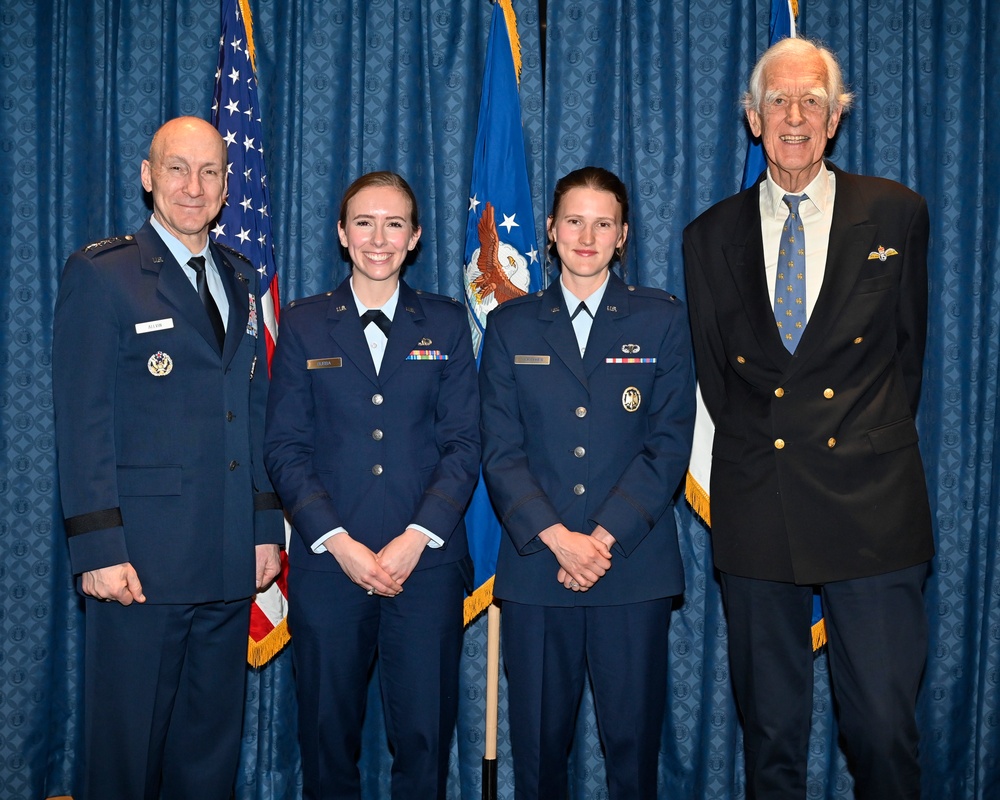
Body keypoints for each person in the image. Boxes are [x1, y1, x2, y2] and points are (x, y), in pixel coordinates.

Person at [683, 37, 932, 800]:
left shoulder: (896, 211)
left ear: (835, 118)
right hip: (761, 501)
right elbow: (719, 380)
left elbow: (907, 359)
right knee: (771, 740)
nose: (796, 116)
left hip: (873, 506)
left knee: (884, 731)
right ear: (753, 119)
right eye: (779, 102)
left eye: (813, 101)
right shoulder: (708, 235)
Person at [52, 116, 284, 800]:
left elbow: (256, 413)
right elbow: (82, 419)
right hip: (139, 563)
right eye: (177, 168)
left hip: (226, 556)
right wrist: (98, 548)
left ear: (225, 187)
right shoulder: (104, 274)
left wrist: (265, 528)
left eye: (210, 172)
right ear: (149, 176)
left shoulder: (241, 278)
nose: (194, 186)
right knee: (123, 754)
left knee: (208, 752)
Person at [479, 166, 695, 799]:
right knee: (540, 755)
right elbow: (500, 449)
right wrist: (559, 540)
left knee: (632, 752)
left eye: (604, 223)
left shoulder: (660, 320)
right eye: (574, 220)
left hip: (631, 569)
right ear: (549, 230)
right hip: (539, 571)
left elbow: (668, 444)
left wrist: (599, 539)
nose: (587, 235)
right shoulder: (510, 326)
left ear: (623, 236)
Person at [264, 171, 480, 799]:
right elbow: (285, 447)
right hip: (330, 567)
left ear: (414, 238)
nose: (377, 238)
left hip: (427, 568)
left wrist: (417, 538)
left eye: (393, 224)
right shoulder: (305, 324)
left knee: (424, 740)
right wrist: (340, 542)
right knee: (328, 739)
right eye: (364, 222)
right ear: (341, 234)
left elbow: (464, 445)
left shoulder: (444, 322)